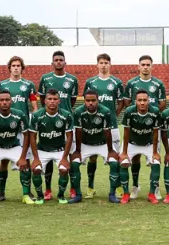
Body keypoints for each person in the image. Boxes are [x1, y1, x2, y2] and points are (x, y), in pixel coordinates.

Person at [0, 56, 38, 202]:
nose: (16, 68)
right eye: (13, 65)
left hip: (23, 128)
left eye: (18, 65)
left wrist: (34, 122)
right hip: (5, 127)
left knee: (26, 159)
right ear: (9, 68)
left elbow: (34, 106)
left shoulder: (29, 85)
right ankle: (1, 192)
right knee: (4, 159)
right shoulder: (2, 84)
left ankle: (28, 192)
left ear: (22, 68)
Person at [123, 55, 166, 199]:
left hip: (151, 125)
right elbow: (127, 103)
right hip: (136, 125)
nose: (146, 67)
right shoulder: (131, 83)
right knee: (134, 159)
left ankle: (156, 188)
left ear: (152, 66)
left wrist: (151, 116)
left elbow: (162, 104)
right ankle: (135, 186)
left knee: (155, 159)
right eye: (143, 64)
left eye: (148, 64)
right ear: (138, 66)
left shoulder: (158, 84)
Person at [82, 53, 124, 199]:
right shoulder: (91, 82)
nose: (104, 65)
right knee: (92, 157)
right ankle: (90, 186)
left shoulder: (116, 82)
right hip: (93, 126)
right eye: (101, 62)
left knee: (114, 157)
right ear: (97, 65)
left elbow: (121, 103)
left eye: (106, 62)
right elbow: (87, 101)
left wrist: (113, 115)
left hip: (111, 126)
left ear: (110, 64)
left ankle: (117, 187)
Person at [38, 50, 78, 200]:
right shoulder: (45, 78)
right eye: (56, 60)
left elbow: (72, 101)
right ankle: (47, 189)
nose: (59, 62)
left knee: (71, 156)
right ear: (52, 63)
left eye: (61, 59)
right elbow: (43, 99)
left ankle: (73, 188)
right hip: (49, 122)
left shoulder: (72, 79)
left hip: (66, 121)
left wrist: (64, 112)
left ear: (65, 62)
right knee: (48, 153)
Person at [68, 90, 119, 204]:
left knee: (114, 162)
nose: (90, 103)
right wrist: (77, 150)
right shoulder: (78, 112)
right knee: (75, 163)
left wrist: (110, 150)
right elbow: (78, 131)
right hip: (85, 144)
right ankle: (78, 194)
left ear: (98, 100)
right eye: (88, 100)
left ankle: (112, 194)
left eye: (93, 100)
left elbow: (107, 132)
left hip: (103, 144)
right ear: (84, 101)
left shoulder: (105, 111)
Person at [29, 89, 73, 204]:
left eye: (55, 99)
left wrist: (64, 158)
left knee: (64, 170)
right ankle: (39, 196)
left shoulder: (66, 115)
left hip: (60, 150)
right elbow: (32, 137)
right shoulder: (36, 116)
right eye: (49, 99)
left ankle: (61, 195)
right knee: (36, 170)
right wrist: (36, 158)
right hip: (42, 150)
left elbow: (69, 137)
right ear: (45, 101)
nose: (52, 101)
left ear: (59, 101)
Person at [119, 89, 161, 204]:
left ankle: (152, 194)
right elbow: (126, 133)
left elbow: (156, 133)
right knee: (123, 163)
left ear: (149, 101)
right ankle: (127, 193)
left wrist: (155, 152)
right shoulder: (129, 111)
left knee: (156, 163)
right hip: (132, 143)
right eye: (139, 100)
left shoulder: (155, 112)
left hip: (149, 143)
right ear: (135, 101)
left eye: (144, 100)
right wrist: (124, 152)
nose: (142, 103)